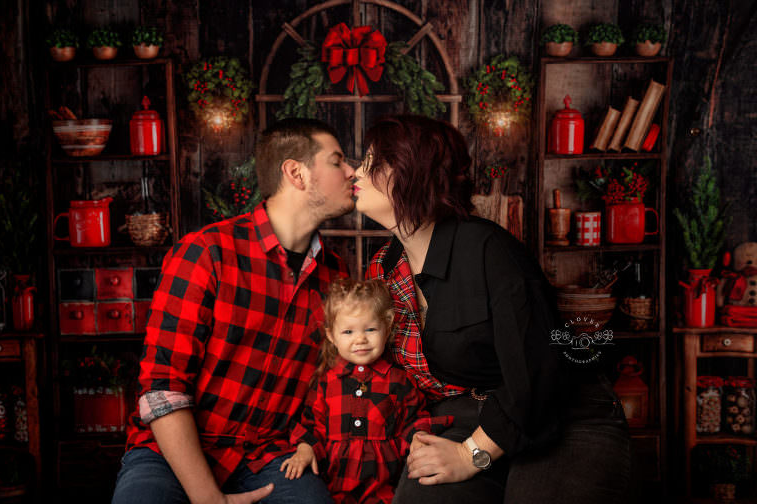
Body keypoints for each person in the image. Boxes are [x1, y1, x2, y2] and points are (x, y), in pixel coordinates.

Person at [354, 114, 631, 503]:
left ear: (411, 171)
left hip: (563, 412)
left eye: (372, 163)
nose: (357, 173)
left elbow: (535, 372)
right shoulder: (384, 267)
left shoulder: (489, 250)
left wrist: (471, 454)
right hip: (471, 412)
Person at [112, 118, 357, 504]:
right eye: (337, 161)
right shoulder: (208, 252)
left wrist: (311, 441)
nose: (351, 172)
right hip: (175, 450)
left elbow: (329, 387)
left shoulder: (336, 275)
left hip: (270, 454)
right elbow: (163, 389)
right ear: (295, 173)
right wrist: (207, 496)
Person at [279, 278, 451, 503]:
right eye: (348, 332)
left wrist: (417, 438)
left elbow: (414, 419)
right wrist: (305, 448)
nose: (360, 339)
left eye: (370, 329)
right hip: (334, 485)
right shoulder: (325, 382)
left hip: (384, 486)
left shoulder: (399, 380)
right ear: (332, 336)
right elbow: (312, 425)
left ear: (386, 327)